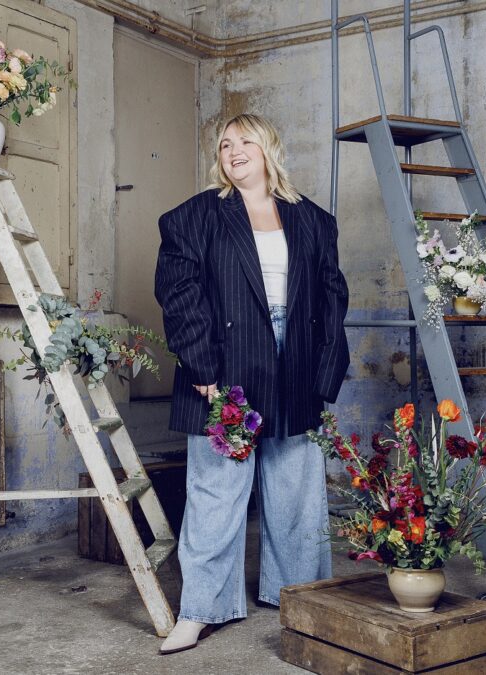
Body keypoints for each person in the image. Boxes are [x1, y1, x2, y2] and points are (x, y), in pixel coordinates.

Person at [153, 113, 350, 655]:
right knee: (216, 492)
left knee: (296, 492)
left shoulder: (313, 220)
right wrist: (203, 372)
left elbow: (333, 299)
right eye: (224, 144)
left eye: (245, 141)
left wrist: (325, 377)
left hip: (295, 365)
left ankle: (300, 595)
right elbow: (180, 297)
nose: (233, 150)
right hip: (225, 365)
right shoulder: (193, 217)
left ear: (269, 149)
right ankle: (199, 609)